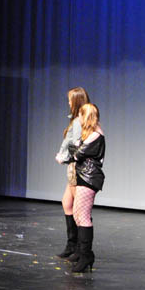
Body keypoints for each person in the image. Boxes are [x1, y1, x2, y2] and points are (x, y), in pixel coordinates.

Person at [68, 103, 105, 273]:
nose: (79, 119)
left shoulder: (96, 135)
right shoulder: (90, 134)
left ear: (86, 116)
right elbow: (74, 150)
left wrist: (75, 149)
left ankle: (86, 255)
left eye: (82, 116)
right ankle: (81, 253)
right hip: (83, 175)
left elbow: (77, 153)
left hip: (89, 177)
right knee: (77, 214)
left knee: (82, 216)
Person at [54, 87, 91, 260]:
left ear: (76, 101)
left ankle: (80, 250)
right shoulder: (75, 120)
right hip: (72, 167)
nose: (68, 103)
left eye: (70, 100)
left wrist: (63, 157)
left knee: (78, 209)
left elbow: (76, 144)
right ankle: (72, 244)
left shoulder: (78, 122)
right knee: (67, 203)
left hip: (76, 167)